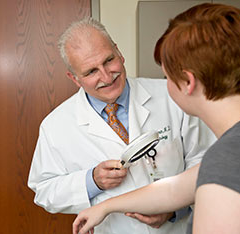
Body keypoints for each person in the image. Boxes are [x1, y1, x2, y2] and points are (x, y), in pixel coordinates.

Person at [72, 3, 240, 234]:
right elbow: (175, 189)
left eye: (167, 76)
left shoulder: (230, 160)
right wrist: (106, 207)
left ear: (188, 82)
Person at [27, 17, 216, 234]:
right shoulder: (56, 126)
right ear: (74, 78)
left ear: (119, 52)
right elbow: (44, 190)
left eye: (109, 60)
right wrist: (92, 181)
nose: (107, 77)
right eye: (91, 72)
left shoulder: (170, 95)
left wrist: (175, 209)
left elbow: (206, 161)